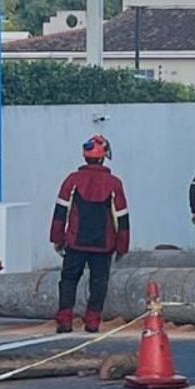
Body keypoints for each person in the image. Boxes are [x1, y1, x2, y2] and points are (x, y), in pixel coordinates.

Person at [51, 135, 130, 334]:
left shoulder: (72, 180)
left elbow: (61, 212)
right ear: (103, 157)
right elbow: (121, 218)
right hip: (104, 246)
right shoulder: (114, 183)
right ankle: (93, 322)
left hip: (75, 242)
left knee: (68, 280)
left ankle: (65, 321)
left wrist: (57, 239)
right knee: (99, 282)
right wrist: (122, 247)